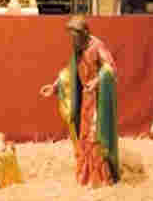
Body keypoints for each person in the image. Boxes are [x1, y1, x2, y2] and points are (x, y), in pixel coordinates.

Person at [40, 15, 120, 187]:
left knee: (95, 137)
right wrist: (55, 86)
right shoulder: (78, 48)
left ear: (84, 33)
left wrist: (97, 81)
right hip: (85, 100)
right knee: (84, 138)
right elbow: (71, 72)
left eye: (75, 36)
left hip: (98, 98)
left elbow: (110, 68)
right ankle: (87, 176)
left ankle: (101, 179)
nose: (73, 40)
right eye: (71, 36)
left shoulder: (97, 46)